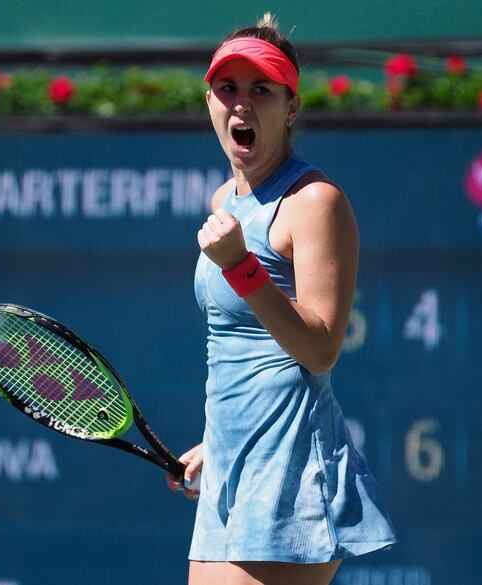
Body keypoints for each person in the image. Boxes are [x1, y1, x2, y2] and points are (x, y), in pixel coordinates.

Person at [165, 14, 398, 585]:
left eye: (261, 90)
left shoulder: (316, 202)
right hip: (232, 468)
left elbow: (318, 351)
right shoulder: (226, 197)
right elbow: (242, 350)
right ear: (211, 102)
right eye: (228, 89)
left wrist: (242, 267)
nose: (241, 104)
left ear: (291, 108)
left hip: (291, 471)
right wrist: (217, 444)